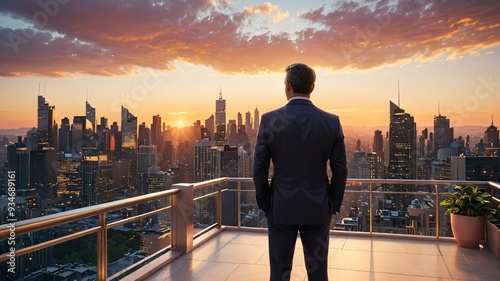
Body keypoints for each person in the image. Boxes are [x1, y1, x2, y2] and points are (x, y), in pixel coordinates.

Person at [253, 63, 347, 281]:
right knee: (318, 274)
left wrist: (266, 203)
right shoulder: (331, 122)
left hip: (281, 208)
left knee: (279, 273)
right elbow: (340, 170)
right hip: (317, 208)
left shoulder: (269, 120)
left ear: (288, 86)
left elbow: (259, 168)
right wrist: (331, 203)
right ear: (312, 87)